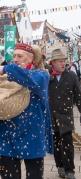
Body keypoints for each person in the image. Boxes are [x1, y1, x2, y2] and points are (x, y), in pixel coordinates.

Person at [0, 44, 53, 179]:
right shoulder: (6, 77)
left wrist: (7, 67)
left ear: (30, 58)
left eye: (19, 56)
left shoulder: (41, 75)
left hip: (32, 135)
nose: (15, 59)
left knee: (34, 176)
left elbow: (29, 80)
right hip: (7, 135)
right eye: (14, 56)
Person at [48, 49, 81, 179]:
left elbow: (78, 97)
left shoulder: (71, 76)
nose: (63, 64)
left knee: (68, 142)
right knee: (56, 142)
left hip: (66, 115)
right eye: (60, 61)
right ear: (53, 63)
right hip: (52, 115)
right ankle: (60, 166)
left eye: (64, 61)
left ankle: (70, 170)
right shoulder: (47, 77)